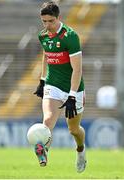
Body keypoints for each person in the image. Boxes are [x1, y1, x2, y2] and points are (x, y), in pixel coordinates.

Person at [34, 1, 87, 173]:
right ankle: (44, 151)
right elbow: (46, 55)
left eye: (51, 21)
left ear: (59, 18)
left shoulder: (70, 36)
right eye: (44, 21)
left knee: (74, 130)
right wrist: (43, 79)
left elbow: (77, 69)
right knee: (48, 120)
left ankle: (80, 151)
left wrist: (72, 95)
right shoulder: (43, 36)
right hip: (53, 84)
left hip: (73, 87)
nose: (47, 25)